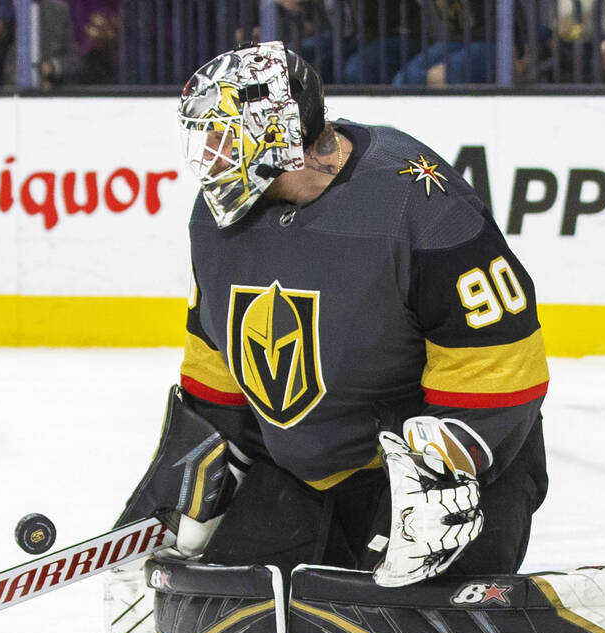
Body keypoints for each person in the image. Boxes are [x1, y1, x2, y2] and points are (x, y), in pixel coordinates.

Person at [166, 40, 550, 585]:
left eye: (224, 138)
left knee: (413, 621)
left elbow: (499, 359)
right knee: (221, 597)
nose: (210, 157)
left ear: (277, 134)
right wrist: (201, 470)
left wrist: (443, 466)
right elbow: (214, 351)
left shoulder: (415, 200)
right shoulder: (213, 219)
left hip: (445, 477)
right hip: (301, 470)